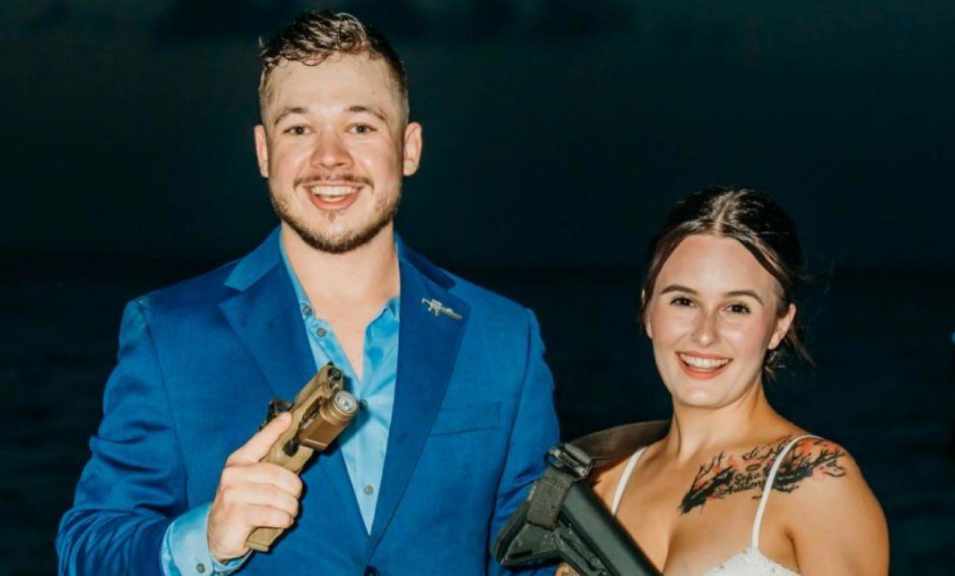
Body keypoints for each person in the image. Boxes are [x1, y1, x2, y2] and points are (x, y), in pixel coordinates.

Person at [56, 11, 559, 576]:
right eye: (298, 128)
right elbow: (88, 547)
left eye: (361, 127)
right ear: (264, 151)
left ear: (409, 147)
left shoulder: (504, 338)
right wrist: (207, 538)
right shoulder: (169, 331)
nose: (330, 159)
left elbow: (530, 558)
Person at [562, 187, 887, 576]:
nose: (704, 334)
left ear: (779, 326)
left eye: (737, 308)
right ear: (648, 309)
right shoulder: (603, 484)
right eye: (683, 301)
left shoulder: (816, 481)